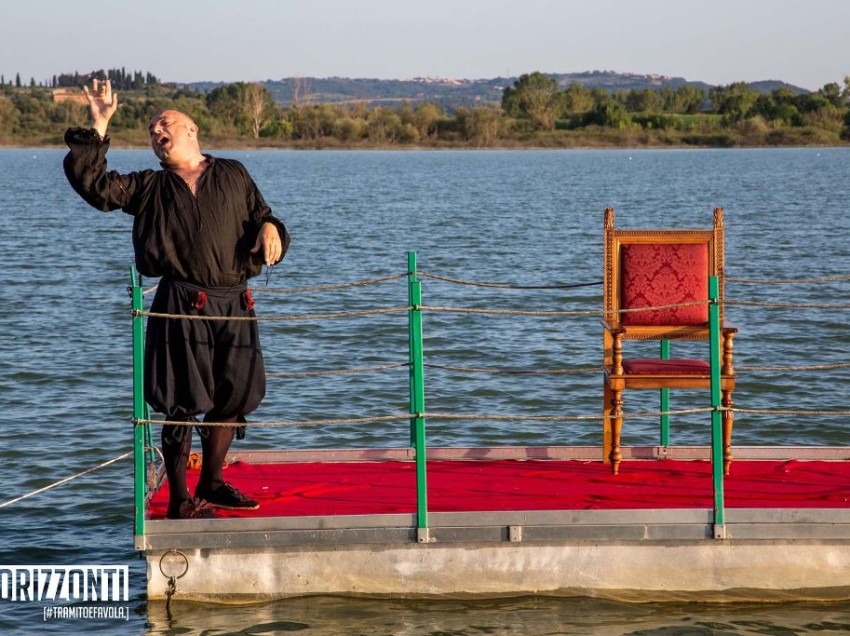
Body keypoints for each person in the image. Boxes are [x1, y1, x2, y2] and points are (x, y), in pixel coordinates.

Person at [64, 79, 290, 519]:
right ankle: (180, 498)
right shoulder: (147, 186)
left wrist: (271, 229)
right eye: (151, 131)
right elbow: (96, 187)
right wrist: (98, 123)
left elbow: (263, 216)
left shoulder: (233, 173)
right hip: (180, 304)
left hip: (234, 302)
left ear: (192, 130)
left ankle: (214, 481)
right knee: (181, 401)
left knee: (232, 396)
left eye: (164, 124)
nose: (156, 133)